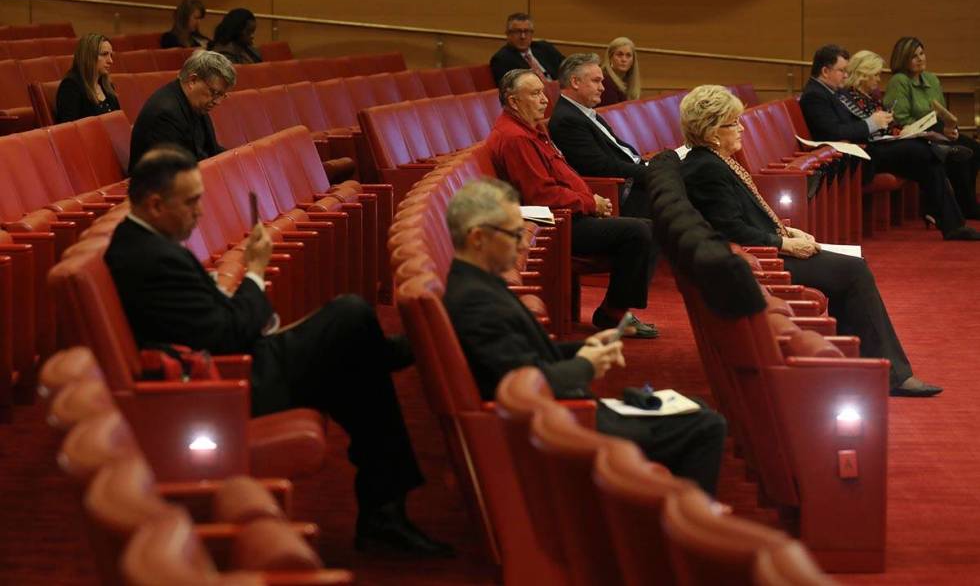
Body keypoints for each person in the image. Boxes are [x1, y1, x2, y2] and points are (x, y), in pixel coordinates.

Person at [104, 147, 454, 557]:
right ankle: (384, 502)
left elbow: (214, 324)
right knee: (349, 316)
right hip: (223, 391)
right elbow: (228, 335)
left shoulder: (144, 244)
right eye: (192, 202)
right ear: (155, 203)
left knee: (353, 361)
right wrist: (253, 270)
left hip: (229, 371)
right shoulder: (149, 258)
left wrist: (227, 293)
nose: (200, 212)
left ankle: (385, 508)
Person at [442, 178, 726, 494]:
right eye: (515, 234)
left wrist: (583, 347)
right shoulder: (475, 302)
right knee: (705, 425)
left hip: (563, 414)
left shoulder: (481, 285)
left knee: (694, 408)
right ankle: (685, 531)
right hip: (562, 426)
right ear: (478, 238)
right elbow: (520, 389)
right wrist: (586, 366)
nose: (524, 244)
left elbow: (526, 360)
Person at [679, 84, 943, 397]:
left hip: (760, 250)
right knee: (853, 271)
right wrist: (783, 243)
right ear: (711, 131)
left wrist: (786, 231)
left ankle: (860, 368)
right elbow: (730, 230)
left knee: (849, 266)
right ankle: (893, 376)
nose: (741, 128)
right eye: (733, 123)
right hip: (756, 263)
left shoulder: (716, 161)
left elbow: (742, 218)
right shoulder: (706, 168)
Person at [488, 68, 658, 337]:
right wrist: (590, 204)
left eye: (543, 92)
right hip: (554, 225)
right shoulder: (516, 138)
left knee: (648, 226)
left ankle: (615, 310)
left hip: (570, 214)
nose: (544, 100)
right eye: (535, 94)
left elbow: (561, 178)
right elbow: (542, 196)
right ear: (513, 101)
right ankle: (613, 314)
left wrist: (589, 200)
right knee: (638, 232)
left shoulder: (531, 130)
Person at [799, 44, 978, 240]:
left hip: (864, 147)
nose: (845, 75)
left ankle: (954, 226)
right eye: (842, 70)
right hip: (851, 156)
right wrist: (870, 124)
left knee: (928, 161)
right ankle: (939, 152)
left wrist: (875, 127)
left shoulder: (831, 92)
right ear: (825, 71)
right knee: (920, 151)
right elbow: (832, 132)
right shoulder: (815, 95)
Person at [884, 37, 980, 219]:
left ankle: (966, 203)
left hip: (937, 130)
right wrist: (937, 130)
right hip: (913, 134)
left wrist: (951, 129)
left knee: (974, 150)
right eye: (913, 56)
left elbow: (942, 112)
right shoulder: (899, 81)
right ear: (903, 59)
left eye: (921, 53)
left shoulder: (932, 79)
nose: (920, 59)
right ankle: (965, 206)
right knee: (959, 154)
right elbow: (900, 118)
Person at [549, 53, 653, 219]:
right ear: (575, 82)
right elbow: (600, 167)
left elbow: (620, 149)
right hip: (620, 192)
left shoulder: (583, 111)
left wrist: (648, 165)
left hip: (631, 179)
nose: (602, 88)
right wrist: (650, 172)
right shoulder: (566, 120)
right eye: (596, 81)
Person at [129, 50, 231, 173]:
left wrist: (235, 160)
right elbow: (173, 172)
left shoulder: (196, 104)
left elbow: (211, 150)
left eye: (222, 95)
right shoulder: (165, 113)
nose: (217, 101)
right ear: (193, 80)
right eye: (214, 93)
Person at [54, 33, 120, 123]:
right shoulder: (71, 86)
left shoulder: (107, 85)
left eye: (111, 55)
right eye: (104, 54)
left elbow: (118, 121)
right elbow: (69, 129)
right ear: (89, 56)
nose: (110, 61)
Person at [489, 13, 564, 85]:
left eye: (527, 31)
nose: (523, 36)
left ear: (532, 33)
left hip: (560, 89)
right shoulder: (501, 59)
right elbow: (510, 88)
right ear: (508, 34)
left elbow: (567, 67)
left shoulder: (544, 47)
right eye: (517, 32)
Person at [599, 37, 641, 107]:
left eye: (628, 55)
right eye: (619, 55)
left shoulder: (628, 81)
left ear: (633, 60)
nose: (624, 59)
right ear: (610, 58)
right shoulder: (605, 81)